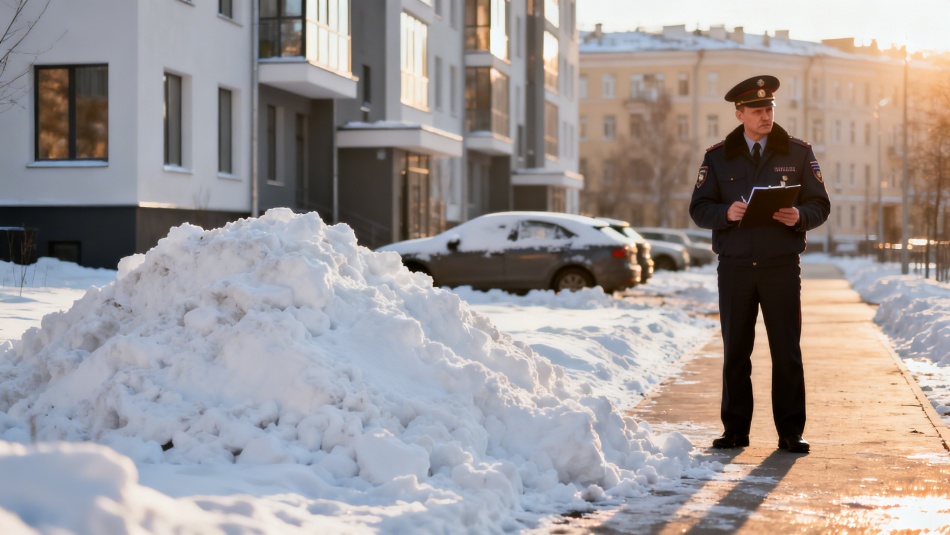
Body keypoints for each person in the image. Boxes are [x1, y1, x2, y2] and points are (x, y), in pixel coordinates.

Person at [689, 75, 831, 453]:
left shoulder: (798, 153)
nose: (766, 115)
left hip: (780, 267)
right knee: (736, 351)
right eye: (757, 110)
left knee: (786, 351)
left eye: (769, 109)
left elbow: (821, 205)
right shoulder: (718, 157)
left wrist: (799, 215)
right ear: (740, 114)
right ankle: (735, 430)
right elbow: (699, 209)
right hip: (734, 268)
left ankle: (790, 432)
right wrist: (726, 212)